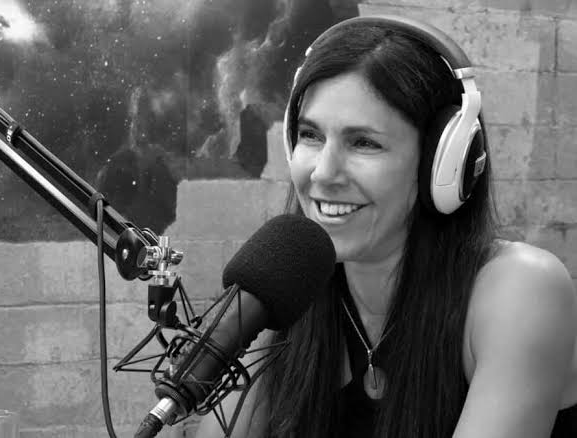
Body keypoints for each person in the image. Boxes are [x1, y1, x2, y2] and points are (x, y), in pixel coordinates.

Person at [195, 15, 577, 438]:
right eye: (310, 135)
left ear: (443, 162)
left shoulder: (522, 288)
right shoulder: (287, 295)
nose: (323, 173)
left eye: (364, 143)